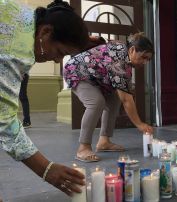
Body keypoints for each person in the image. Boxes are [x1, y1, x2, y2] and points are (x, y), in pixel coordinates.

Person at [0, 0, 90, 196]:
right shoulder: (18, 48)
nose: (58, 60)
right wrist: (46, 169)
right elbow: (4, 122)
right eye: (60, 52)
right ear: (45, 32)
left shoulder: (23, 16)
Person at [63, 33, 154, 162]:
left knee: (114, 99)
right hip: (76, 72)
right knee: (96, 103)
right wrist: (139, 124)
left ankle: (104, 141)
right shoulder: (119, 61)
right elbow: (127, 100)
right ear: (132, 50)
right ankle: (83, 147)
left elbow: (124, 93)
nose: (144, 62)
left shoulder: (125, 57)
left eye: (148, 60)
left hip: (95, 78)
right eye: (143, 57)